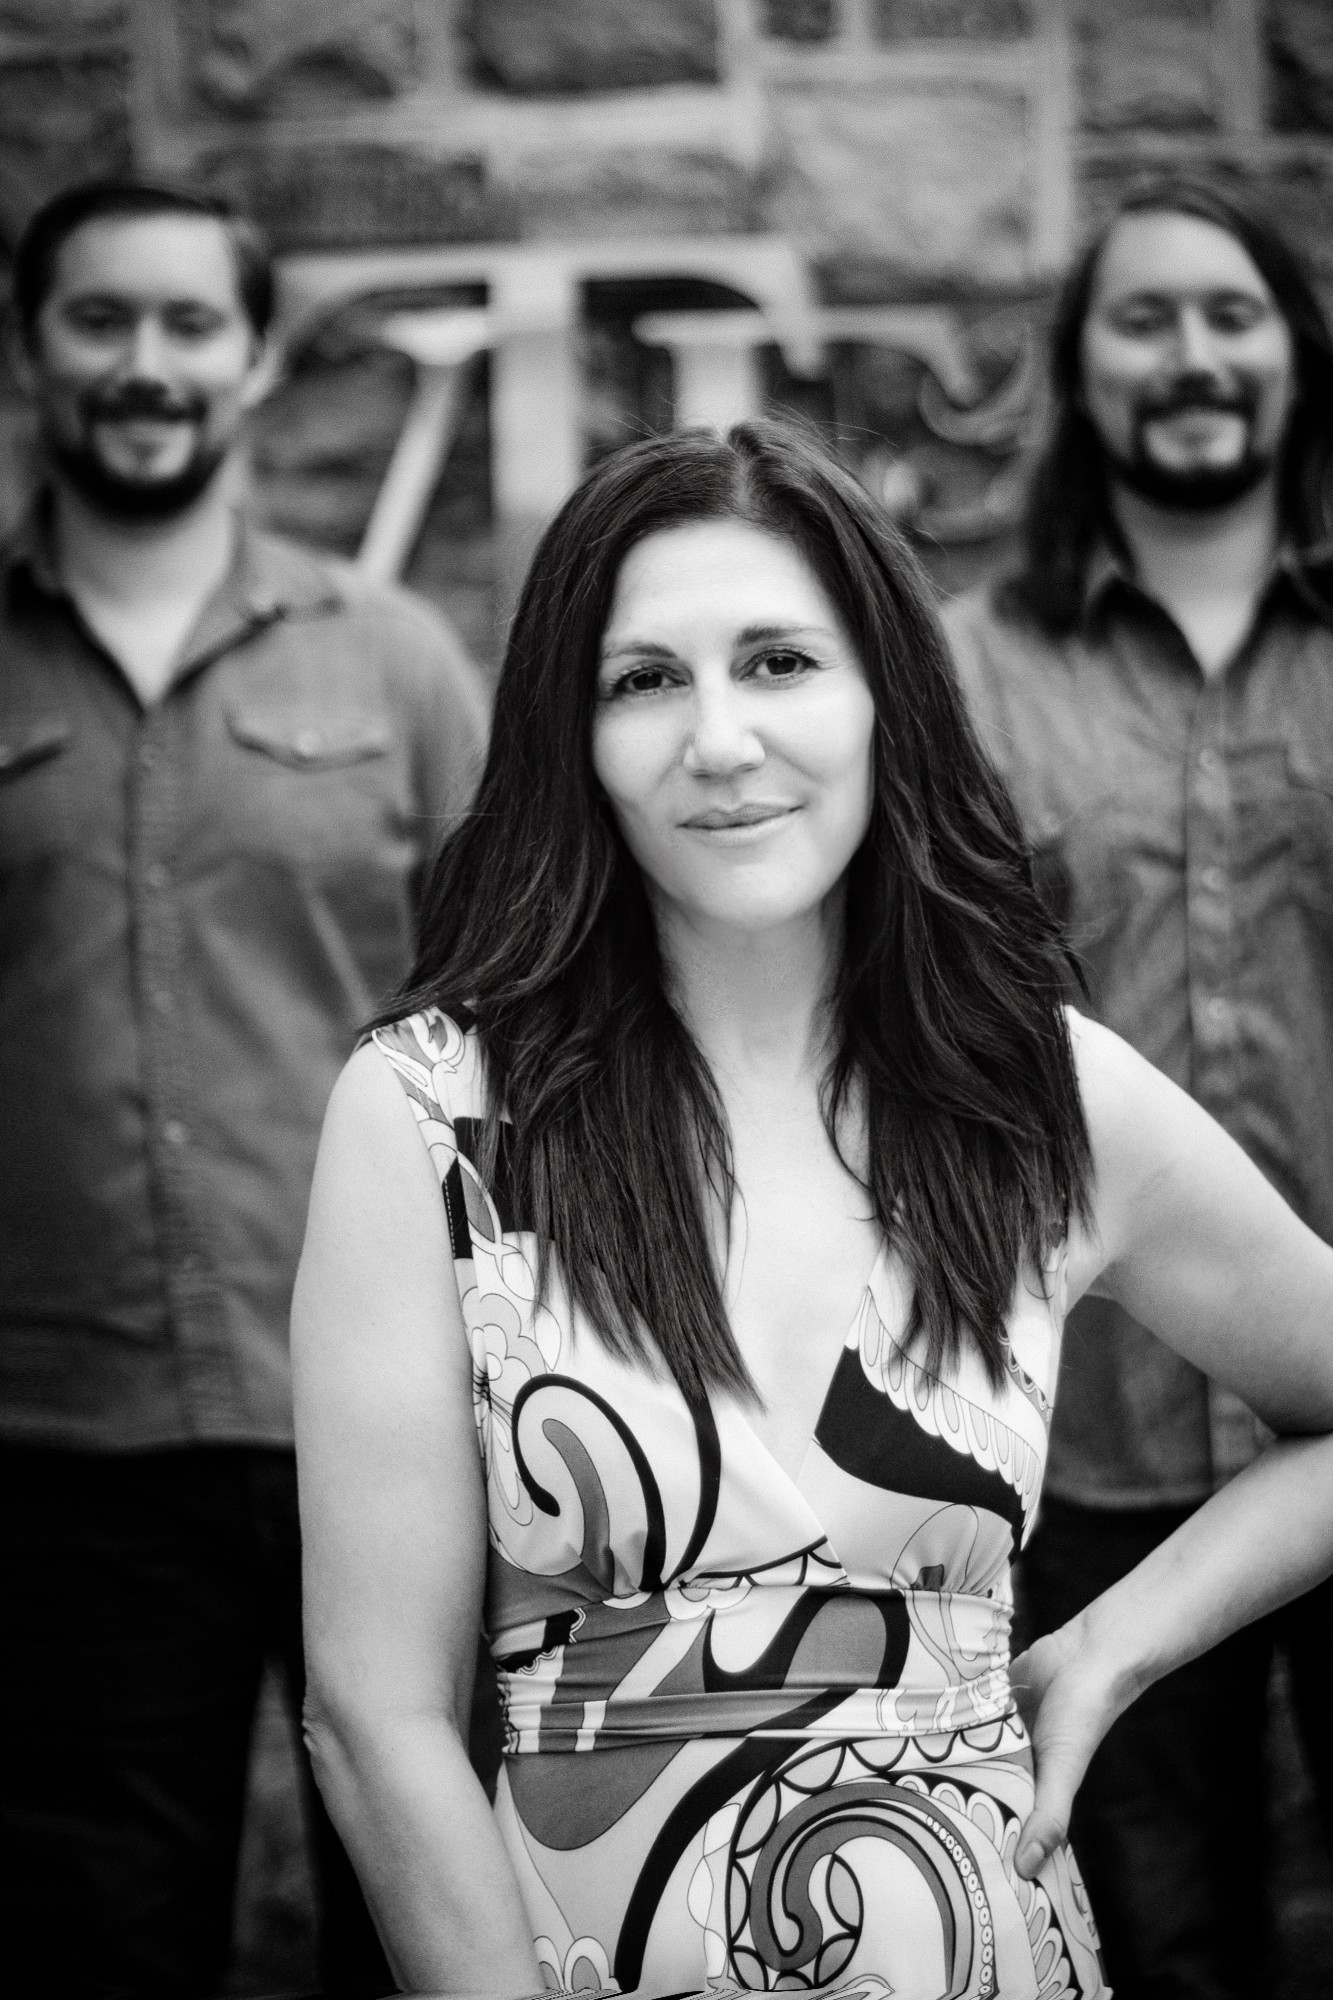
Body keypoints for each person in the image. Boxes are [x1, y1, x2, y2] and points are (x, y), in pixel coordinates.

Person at [292, 418, 1333, 2000]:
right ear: (573, 735)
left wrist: (1110, 1646)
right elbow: (374, 1720)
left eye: (779, 662)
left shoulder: (1037, 1099)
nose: (719, 740)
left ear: (883, 700)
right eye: (645, 680)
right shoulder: (433, 1117)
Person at [0, 179, 489, 1999]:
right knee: (92, 1941)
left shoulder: (395, 660)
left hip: (389, 1423)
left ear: (257, 359)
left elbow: (511, 1019)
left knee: (430, 1923)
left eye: (190, 323)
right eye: (100, 318)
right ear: (30, 345)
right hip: (59, 1452)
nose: (146, 363)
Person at [943, 173, 1333, 1996]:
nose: (1191, 356)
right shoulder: (959, 675)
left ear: (1293, 353)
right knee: (1161, 1949)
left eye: (1228, 314)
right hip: (1090, 1442)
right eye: (1144, 318)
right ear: (1080, 367)